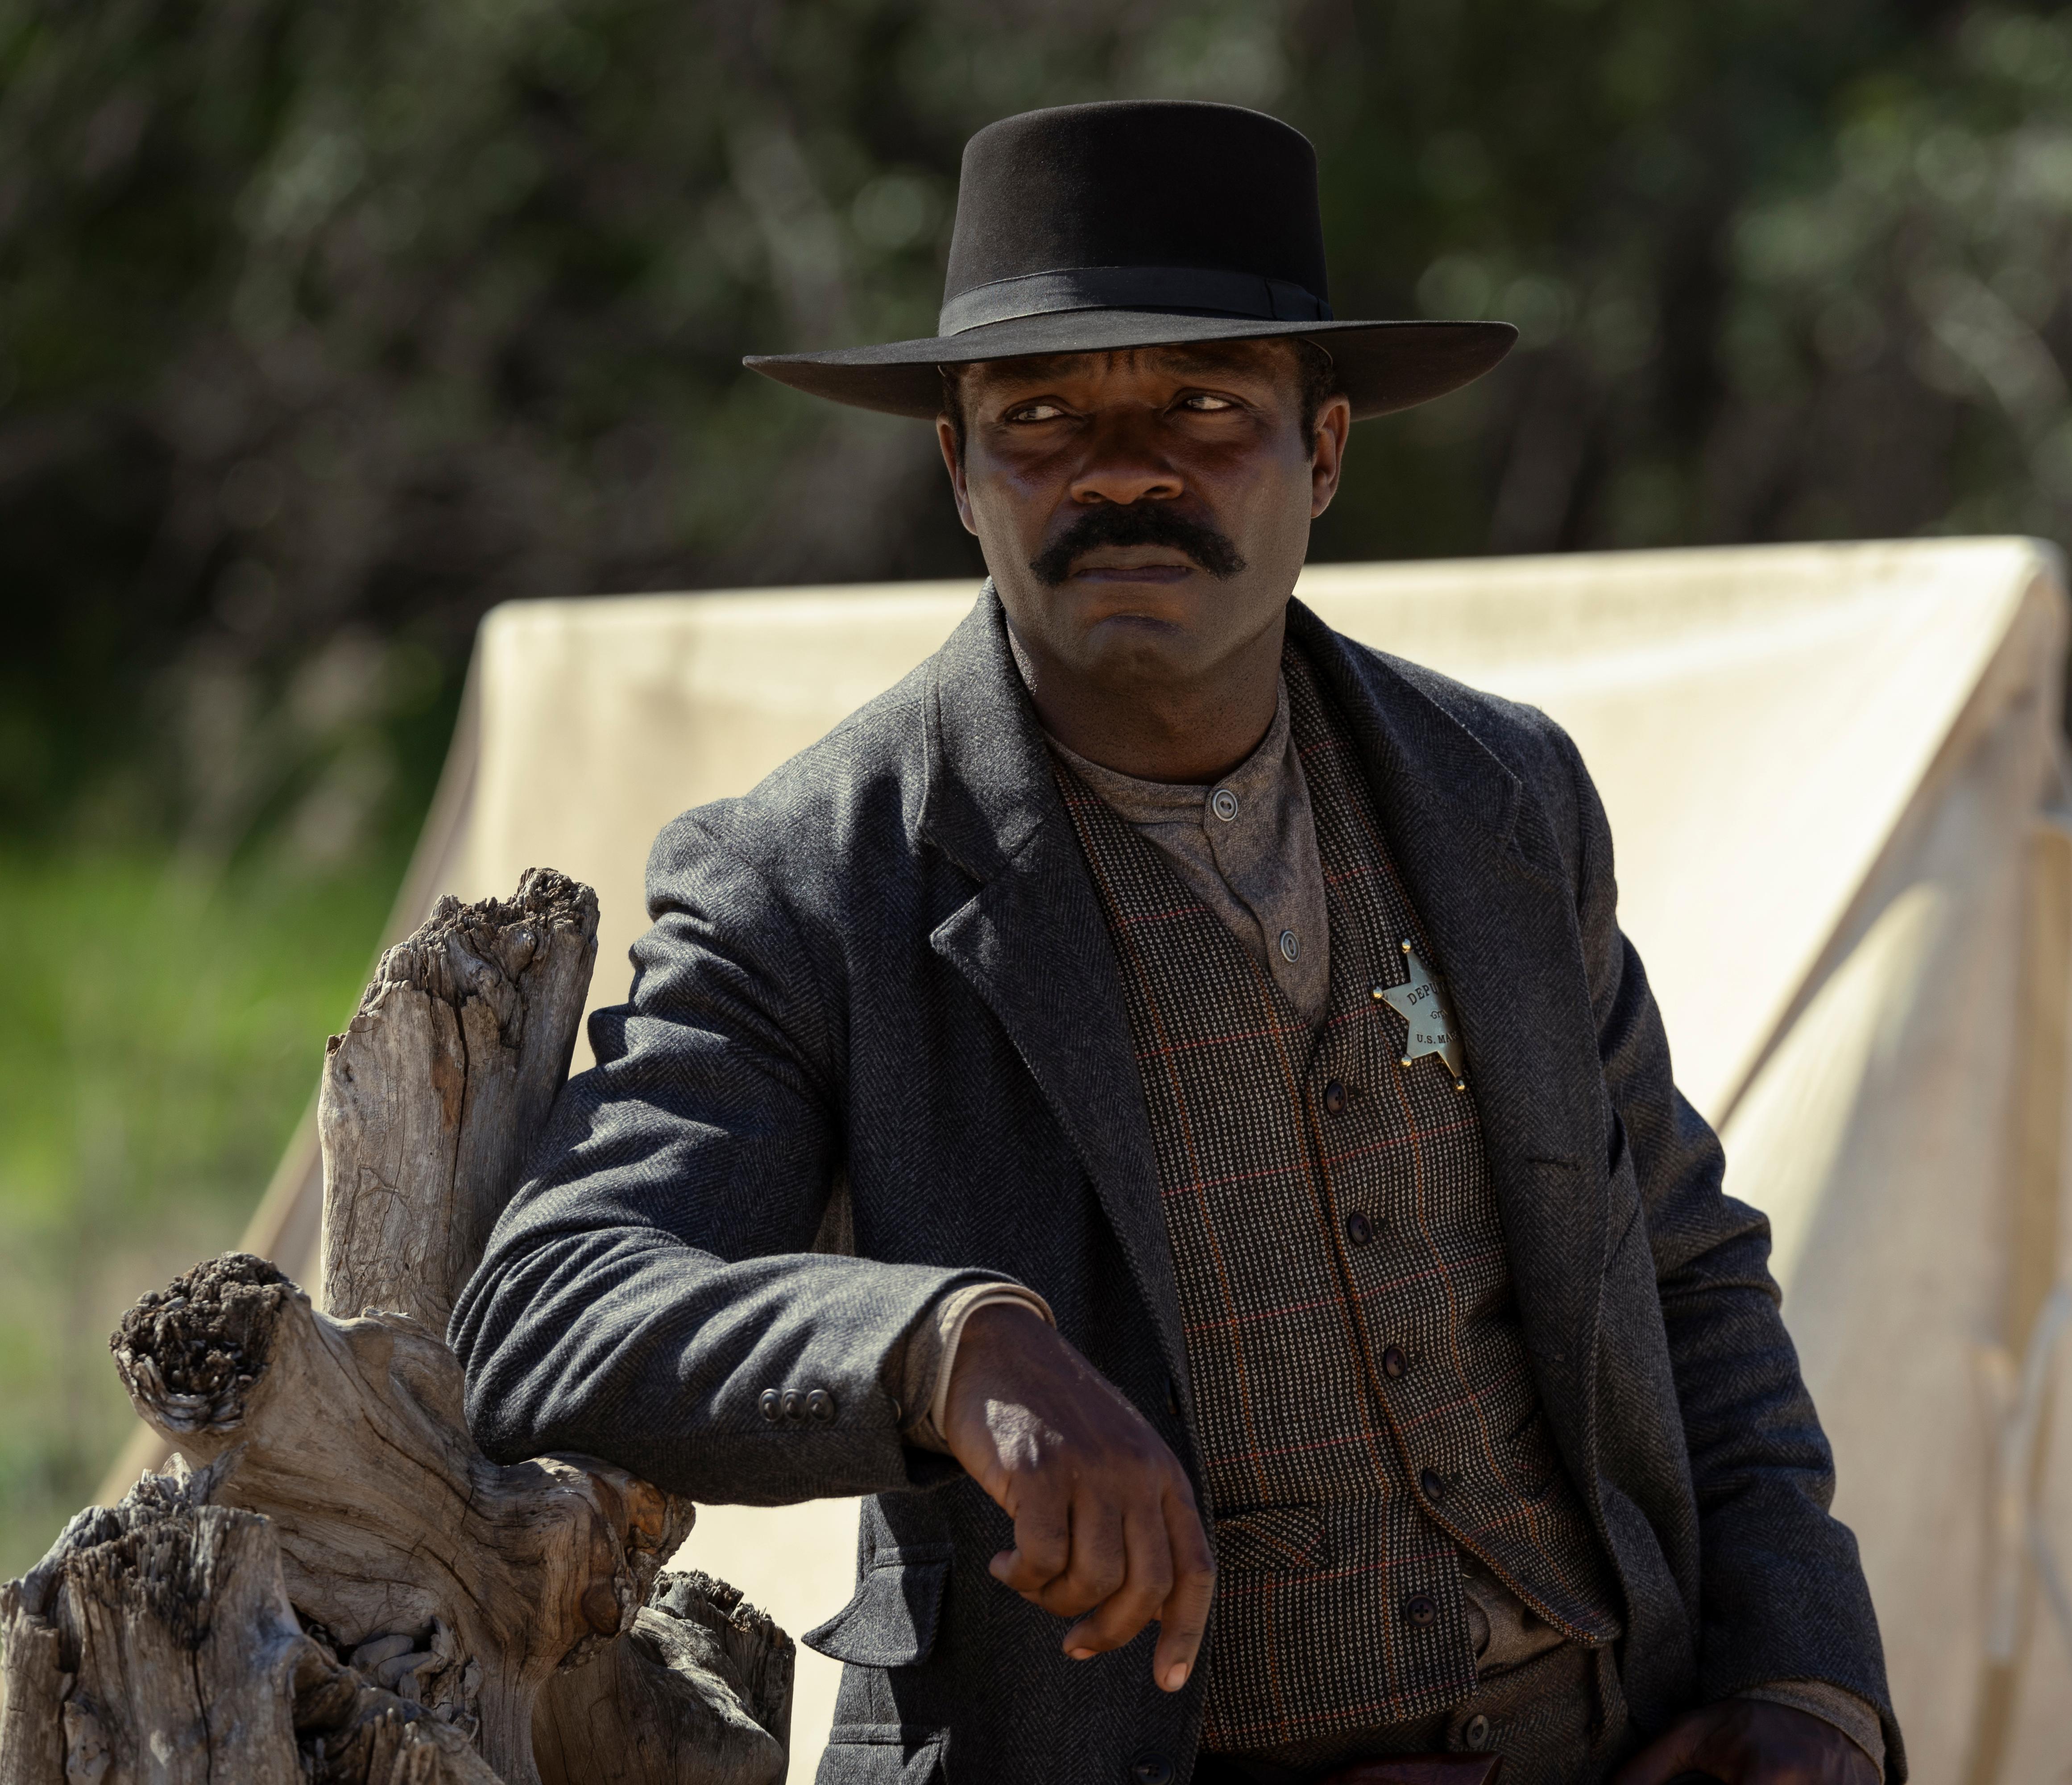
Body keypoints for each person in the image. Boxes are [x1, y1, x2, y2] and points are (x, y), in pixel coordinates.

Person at [452, 100, 1899, 1785]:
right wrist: (942, 1346)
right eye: (1044, 414)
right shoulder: (813, 878)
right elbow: (549, 1310)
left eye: (1208, 404)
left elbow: (1683, 1266)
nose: (1126, 469)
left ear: (1328, 453)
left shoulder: (1507, 797)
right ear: (960, 471)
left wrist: (1810, 1690)